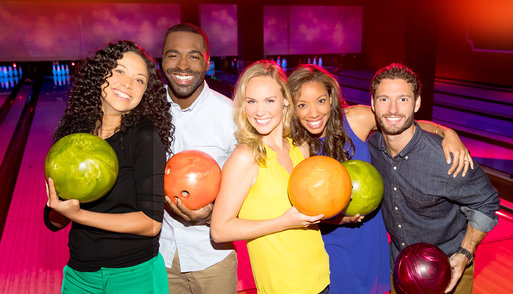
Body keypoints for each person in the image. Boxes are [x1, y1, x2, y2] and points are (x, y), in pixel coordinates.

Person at [287, 64, 473, 294]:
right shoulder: (293, 145)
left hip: (368, 236)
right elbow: (295, 209)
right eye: (302, 105)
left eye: (321, 101)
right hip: (330, 240)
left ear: (332, 99)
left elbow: (403, 124)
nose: (313, 113)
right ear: (291, 107)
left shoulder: (357, 119)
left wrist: (446, 133)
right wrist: (336, 220)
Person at [43, 40, 173, 293]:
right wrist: (58, 210)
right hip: (80, 274)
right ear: (101, 72)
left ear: (145, 92)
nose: (127, 84)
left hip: (134, 274)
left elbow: (151, 223)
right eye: (120, 71)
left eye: (139, 80)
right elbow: (54, 220)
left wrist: (79, 215)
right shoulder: (74, 133)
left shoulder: (144, 137)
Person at [367, 63, 499, 294]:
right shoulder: (371, 148)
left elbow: (486, 201)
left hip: (449, 267)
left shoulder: (446, 159)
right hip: (399, 265)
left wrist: (464, 253)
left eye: (403, 99)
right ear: (373, 104)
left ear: (417, 103)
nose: (393, 109)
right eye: (384, 99)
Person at [211, 60, 331, 294]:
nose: (259, 111)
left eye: (269, 101)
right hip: (283, 285)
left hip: (320, 273)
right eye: (251, 101)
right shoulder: (245, 157)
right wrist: (282, 222)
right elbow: (219, 230)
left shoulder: (300, 147)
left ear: (285, 100)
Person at [158, 23, 240, 294]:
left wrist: (211, 215)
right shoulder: (145, 110)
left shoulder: (230, 116)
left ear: (207, 62)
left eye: (193, 56)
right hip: (158, 253)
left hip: (211, 256)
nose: (183, 65)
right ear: (162, 60)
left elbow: (248, 188)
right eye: (173, 55)